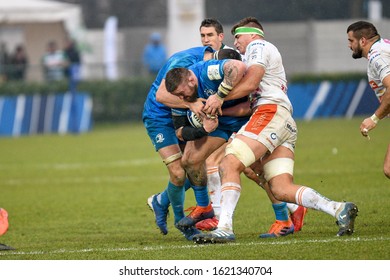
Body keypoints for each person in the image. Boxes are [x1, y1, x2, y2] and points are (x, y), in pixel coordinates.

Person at [193, 16, 359, 243]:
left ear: (252, 34)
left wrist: (218, 97)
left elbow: (251, 84)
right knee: (281, 189)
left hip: (270, 112)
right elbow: (247, 95)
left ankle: (224, 227)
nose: (237, 43)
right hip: (283, 120)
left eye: (238, 37)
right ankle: (338, 208)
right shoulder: (258, 51)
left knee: (229, 162)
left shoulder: (258, 45)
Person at [143, 46, 240, 240]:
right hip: (159, 117)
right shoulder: (184, 62)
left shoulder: (202, 74)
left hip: (181, 114)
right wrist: (191, 104)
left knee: (194, 163)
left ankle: (162, 201)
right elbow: (161, 96)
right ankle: (183, 224)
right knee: (178, 173)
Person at [164, 58, 248, 235]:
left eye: (182, 93)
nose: (181, 99)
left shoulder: (206, 71)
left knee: (256, 171)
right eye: (177, 96)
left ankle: (287, 213)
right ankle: (204, 207)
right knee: (189, 160)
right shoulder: (183, 97)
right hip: (221, 124)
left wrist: (219, 96)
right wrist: (203, 130)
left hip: (246, 115)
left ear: (191, 80)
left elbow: (237, 66)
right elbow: (179, 131)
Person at [347, 21, 390, 179]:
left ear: (363, 41)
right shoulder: (383, 47)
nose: (349, 45)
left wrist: (374, 118)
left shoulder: (376, 55)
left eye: (351, 41)